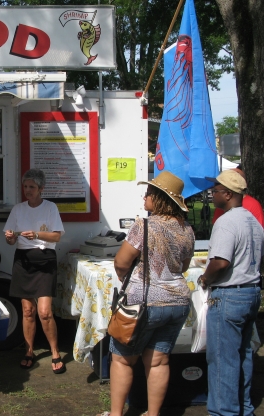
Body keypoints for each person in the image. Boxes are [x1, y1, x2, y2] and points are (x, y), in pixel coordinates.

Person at [100, 171, 195, 416]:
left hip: (144, 303)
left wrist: (127, 279)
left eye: (149, 193)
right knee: (159, 361)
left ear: (160, 198)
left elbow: (121, 261)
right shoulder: (186, 229)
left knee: (122, 360)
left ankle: (116, 414)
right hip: (177, 302)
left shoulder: (143, 226)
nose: (145, 196)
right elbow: (183, 266)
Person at [198, 170, 264, 416]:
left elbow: (221, 262)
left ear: (227, 194)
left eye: (214, 191)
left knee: (222, 360)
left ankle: (224, 412)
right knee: (243, 355)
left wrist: (205, 278)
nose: (211, 195)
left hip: (229, 295)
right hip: (251, 292)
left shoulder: (226, 221)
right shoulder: (252, 220)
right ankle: (244, 407)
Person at [3, 168, 66, 374]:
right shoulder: (18, 209)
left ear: (41, 188)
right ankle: (29, 350)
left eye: (31, 187)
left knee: (45, 312)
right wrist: (11, 238)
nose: (27, 190)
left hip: (44, 258)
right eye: (25, 186)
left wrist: (37, 234)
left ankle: (55, 352)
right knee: (28, 311)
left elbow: (57, 236)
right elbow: (11, 240)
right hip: (23, 260)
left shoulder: (50, 208)